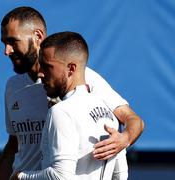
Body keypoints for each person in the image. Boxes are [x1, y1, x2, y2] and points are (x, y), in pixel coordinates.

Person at [0, 6, 144, 180]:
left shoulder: (84, 79)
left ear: (38, 36)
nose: (6, 51)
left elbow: (133, 119)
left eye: (13, 41)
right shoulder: (13, 86)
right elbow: (14, 145)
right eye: (4, 43)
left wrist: (124, 139)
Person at [13, 31, 129, 180]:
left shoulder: (61, 112)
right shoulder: (109, 110)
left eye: (47, 67)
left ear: (71, 69)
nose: (40, 74)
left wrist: (21, 177)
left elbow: (61, 177)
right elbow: (120, 175)